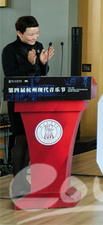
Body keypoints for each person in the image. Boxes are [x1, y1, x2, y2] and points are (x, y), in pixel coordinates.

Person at [2, 15, 54, 196]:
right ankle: (18, 184)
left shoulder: (38, 47)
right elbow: (11, 76)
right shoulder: (10, 50)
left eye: (37, 33)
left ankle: (24, 182)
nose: (35, 37)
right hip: (18, 100)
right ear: (19, 33)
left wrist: (42, 63)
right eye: (31, 34)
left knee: (32, 139)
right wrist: (29, 63)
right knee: (22, 137)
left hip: (35, 99)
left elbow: (40, 74)